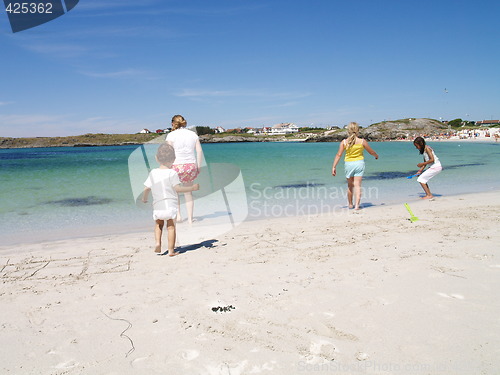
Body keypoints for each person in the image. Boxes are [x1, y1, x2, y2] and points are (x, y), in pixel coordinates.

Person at [142, 143, 200, 256]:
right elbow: (177, 189)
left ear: (156, 158)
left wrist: (144, 198)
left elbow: (146, 188)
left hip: (158, 206)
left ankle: (158, 243)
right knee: (171, 227)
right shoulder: (173, 173)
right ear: (174, 159)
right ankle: (171, 251)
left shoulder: (153, 173)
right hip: (170, 206)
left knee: (158, 225)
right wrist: (192, 188)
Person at [332, 122, 378, 210]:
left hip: (349, 164)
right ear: (358, 131)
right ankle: (357, 206)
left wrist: (334, 166)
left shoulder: (344, 142)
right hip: (359, 164)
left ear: (348, 131)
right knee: (357, 185)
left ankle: (350, 204)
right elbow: (371, 152)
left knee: (350, 186)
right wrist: (376, 156)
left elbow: (338, 155)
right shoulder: (362, 141)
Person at [166, 115, 203, 224]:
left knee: (175, 192)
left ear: (173, 123)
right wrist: (199, 166)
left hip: (176, 165)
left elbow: (169, 153)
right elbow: (199, 151)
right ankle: (190, 219)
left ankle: (178, 216)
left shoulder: (171, 135)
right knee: (188, 193)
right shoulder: (193, 134)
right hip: (190, 165)